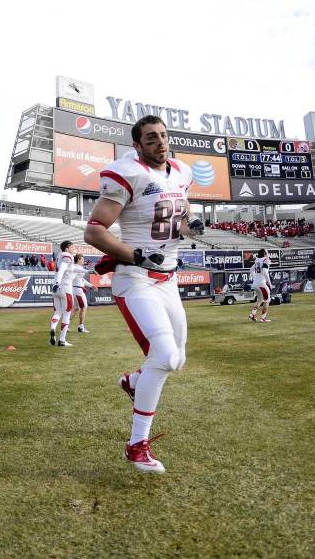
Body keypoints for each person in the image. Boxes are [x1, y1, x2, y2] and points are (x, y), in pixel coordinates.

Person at [84, 114, 202, 474]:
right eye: (151, 138)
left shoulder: (181, 172)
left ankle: (134, 382)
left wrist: (190, 224)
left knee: (176, 359)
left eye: (163, 136)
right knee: (164, 354)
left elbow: (179, 216)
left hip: (167, 278)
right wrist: (135, 254)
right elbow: (94, 231)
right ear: (137, 145)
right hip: (135, 277)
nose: (160, 143)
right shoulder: (127, 173)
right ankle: (136, 446)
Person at [49, 240, 77, 347]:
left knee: (57, 313)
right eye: (72, 247)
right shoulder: (68, 256)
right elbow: (62, 270)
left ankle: (53, 328)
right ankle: (62, 340)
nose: (74, 248)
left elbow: (74, 269)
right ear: (67, 248)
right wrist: (58, 282)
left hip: (55, 289)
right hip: (65, 288)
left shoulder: (59, 256)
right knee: (67, 313)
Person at [248, 248, 273, 322]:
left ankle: (252, 314)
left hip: (255, 284)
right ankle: (263, 318)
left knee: (260, 299)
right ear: (265, 254)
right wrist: (269, 283)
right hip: (261, 284)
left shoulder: (257, 260)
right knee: (267, 300)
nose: (268, 253)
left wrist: (254, 279)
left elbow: (251, 269)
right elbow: (265, 272)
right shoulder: (266, 260)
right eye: (267, 252)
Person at [71, 253, 90, 334]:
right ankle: (81, 327)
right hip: (78, 290)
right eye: (82, 259)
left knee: (76, 308)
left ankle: (65, 325)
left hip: (75, 290)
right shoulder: (76, 267)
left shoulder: (77, 267)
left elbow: (81, 280)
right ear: (78, 259)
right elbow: (75, 278)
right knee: (84, 308)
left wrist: (91, 285)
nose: (83, 261)